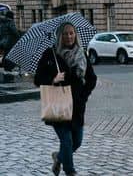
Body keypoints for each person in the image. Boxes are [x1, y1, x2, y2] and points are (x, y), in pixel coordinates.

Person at [34, 22, 97, 176]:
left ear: (75, 35)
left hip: (77, 106)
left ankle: (59, 157)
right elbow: (37, 79)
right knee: (67, 141)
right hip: (58, 105)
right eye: (65, 34)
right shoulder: (51, 54)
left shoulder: (81, 54)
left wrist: (84, 96)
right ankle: (70, 172)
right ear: (59, 36)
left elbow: (92, 79)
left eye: (71, 33)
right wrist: (53, 79)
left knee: (77, 142)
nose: (69, 36)